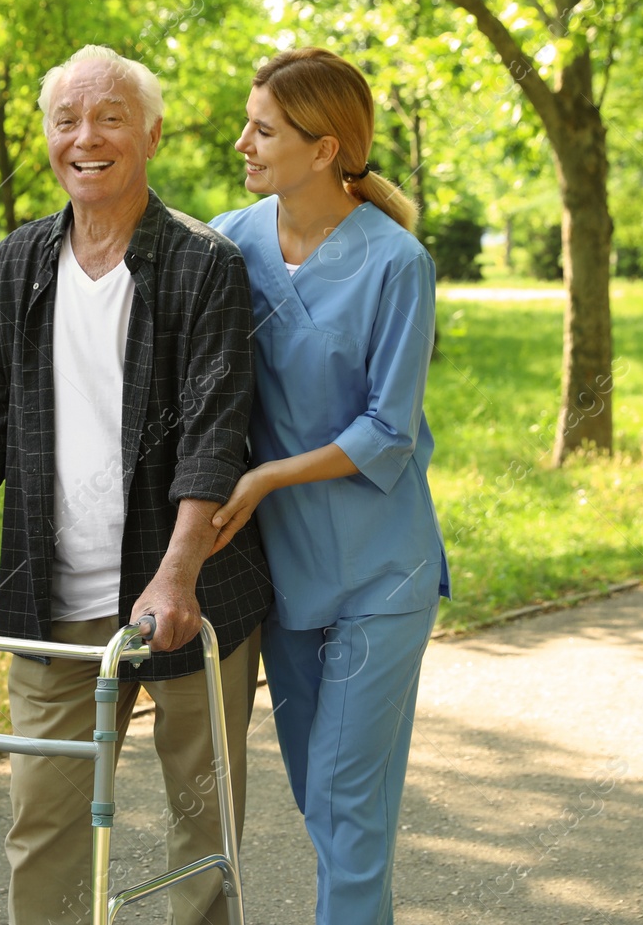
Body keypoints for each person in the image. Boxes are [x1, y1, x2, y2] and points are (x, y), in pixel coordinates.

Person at [0, 44, 272, 925]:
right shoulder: (19, 263)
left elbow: (215, 435)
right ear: (49, 139)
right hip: (50, 594)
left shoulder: (203, 265)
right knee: (44, 819)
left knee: (201, 826)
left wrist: (176, 576)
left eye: (110, 118)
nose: (86, 138)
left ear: (153, 134)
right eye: (68, 121)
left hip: (190, 590)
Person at [206, 47, 452, 925]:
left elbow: (390, 430)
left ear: (324, 148)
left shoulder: (397, 264)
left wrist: (270, 473)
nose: (243, 142)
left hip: (379, 574)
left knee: (346, 810)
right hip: (288, 579)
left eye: (263, 129)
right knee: (329, 805)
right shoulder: (229, 241)